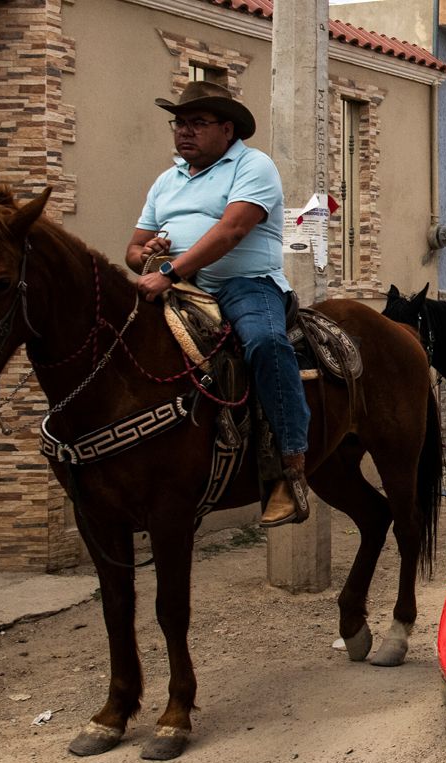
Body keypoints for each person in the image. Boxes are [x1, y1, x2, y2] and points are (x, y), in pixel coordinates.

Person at [126, 81, 310, 527]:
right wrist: (149, 252)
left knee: (266, 344)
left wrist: (168, 271)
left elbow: (231, 231)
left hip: (244, 284)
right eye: (180, 123)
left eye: (198, 123)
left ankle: (290, 467)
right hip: (180, 287)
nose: (184, 132)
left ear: (227, 130)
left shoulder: (253, 165)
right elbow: (132, 252)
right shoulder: (165, 181)